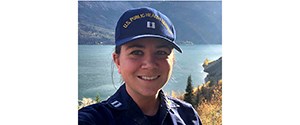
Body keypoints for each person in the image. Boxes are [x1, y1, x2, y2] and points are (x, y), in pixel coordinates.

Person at [78, 7, 202, 125]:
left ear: (173, 61)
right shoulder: (93, 119)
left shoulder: (188, 116)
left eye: (161, 52)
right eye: (136, 52)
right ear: (118, 61)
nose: (150, 64)